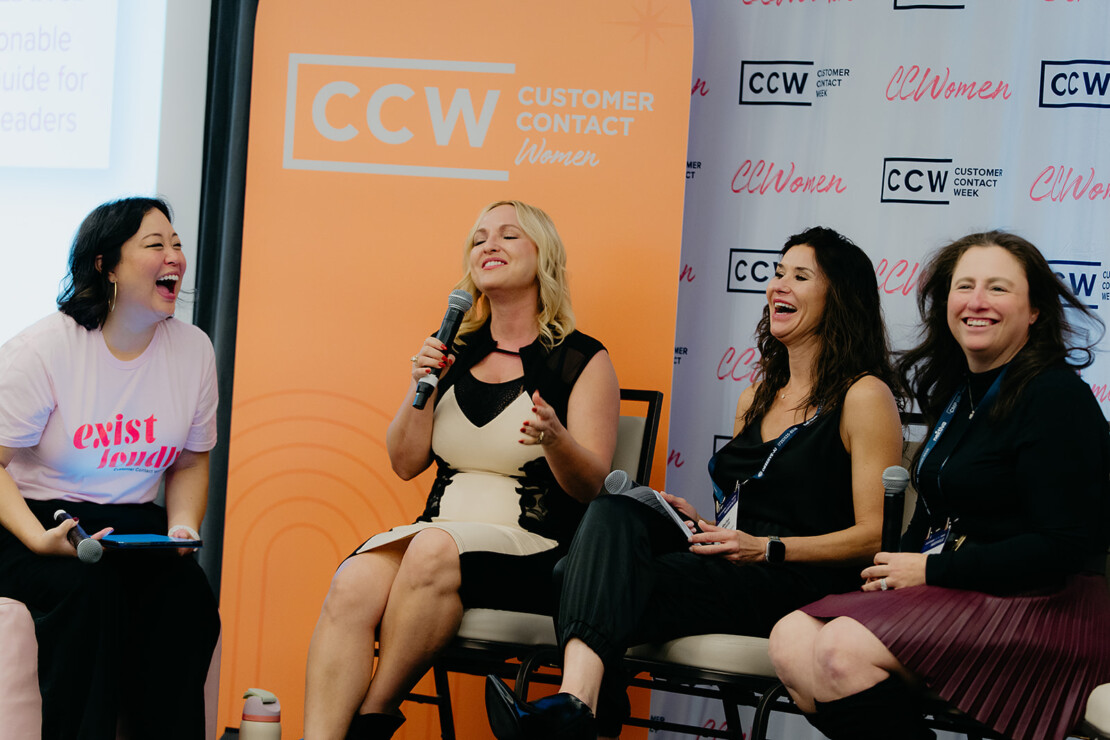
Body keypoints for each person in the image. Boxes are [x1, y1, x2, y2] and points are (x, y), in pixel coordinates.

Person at [485, 227, 905, 740]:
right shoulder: (756, 397)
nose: (778, 286)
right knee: (616, 512)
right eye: (776, 273)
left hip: (799, 585)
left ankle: (580, 712)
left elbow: (875, 539)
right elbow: (747, 508)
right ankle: (578, 708)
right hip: (736, 565)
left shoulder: (864, 395)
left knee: (572, 577)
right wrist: (704, 525)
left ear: (841, 297)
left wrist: (767, 548)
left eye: (800, 276)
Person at [768, 231, 1110, 740]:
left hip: (1049, 606)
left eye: (998, 289)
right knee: (790, 638)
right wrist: (895, 572)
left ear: (1035, 310)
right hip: (964, 590)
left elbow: (1066, 545)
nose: (976, 302)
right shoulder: (961, 390)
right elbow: (940, 509)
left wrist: (929, 568)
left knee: (842, 649)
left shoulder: (1055, 395)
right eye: (964, 286)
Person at [303, 200, 620, 740]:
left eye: (508, 236)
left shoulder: (581, 359)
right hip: (439, 536)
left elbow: (594, 488)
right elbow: (405, 463)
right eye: (478, 238)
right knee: (354, 580)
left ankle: (371, 721)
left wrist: (557, 439)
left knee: (429, 549)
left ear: (543, 257)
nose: (488, 246)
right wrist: (420, 386)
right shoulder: (450, 350)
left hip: (535, 548)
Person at [0, 197, 220, 739]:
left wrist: (182, 527)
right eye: (154, 245)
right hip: (33, 520)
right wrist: (36, 538)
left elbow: (192, 460)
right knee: (87, 591)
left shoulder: (192, 350)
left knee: (186, 597)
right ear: (107, 265)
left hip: (132, 523)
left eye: (176, 244)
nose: (174, 256)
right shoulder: (44, 348)